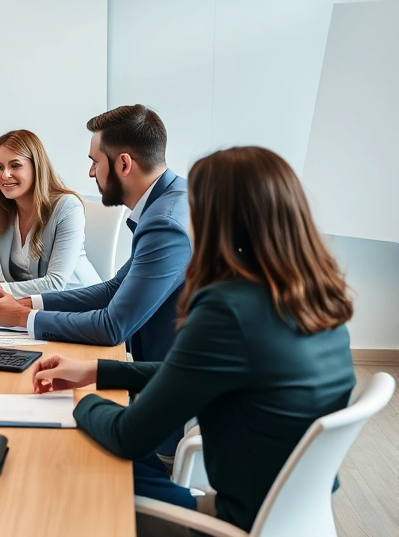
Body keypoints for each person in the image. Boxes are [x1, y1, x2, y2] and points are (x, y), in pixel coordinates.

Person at [28, 146, 355, 535]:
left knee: (79, 462)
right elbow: (189, 371)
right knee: (141, 462)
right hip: (292, 514)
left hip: (233, 521)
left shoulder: (226, 308)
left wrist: (78, 404)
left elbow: (128, 435)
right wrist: (97, 370)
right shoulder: (317, 297)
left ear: (217, 218)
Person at [0, 105, 190, 365]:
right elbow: (113, 289)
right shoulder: (170, 201)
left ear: (123, 163)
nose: (90, 172)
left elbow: (112, 326)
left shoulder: (164, 224)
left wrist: (21, 317)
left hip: (170, 379)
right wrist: (28, 304)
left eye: (95, 162)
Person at [0, 129, 100, 300]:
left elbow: (54, 283)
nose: (5, 175)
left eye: (15, 165)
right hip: (31, 308)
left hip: (81, 307)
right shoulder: (0, 209)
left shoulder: (67, 207)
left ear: (36, 167)